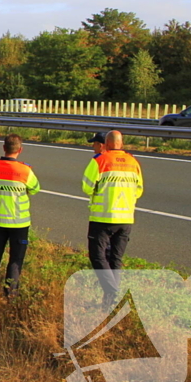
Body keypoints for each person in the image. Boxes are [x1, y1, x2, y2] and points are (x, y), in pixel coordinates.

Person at [81, 130, 143, 307]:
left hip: (103, 217)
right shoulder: (133, 162)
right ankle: (110, 303)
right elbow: (139, 190)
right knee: (115, 258)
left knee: (98, 256)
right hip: (125, 219)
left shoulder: (100, 161)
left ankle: (112, 290)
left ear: (106, 144)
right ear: (121, 144)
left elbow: (86, 187)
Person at [0, 133, 40, 297]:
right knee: (15, 260)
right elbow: (35, 189)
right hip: (19, 223)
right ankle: (10, 294)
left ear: (4, 148)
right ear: (20, 150)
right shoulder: (25, 170)